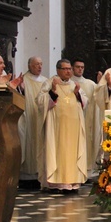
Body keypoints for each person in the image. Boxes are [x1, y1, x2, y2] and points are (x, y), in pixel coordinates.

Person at [38, 59, 88, 193]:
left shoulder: (74, 85)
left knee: (73, 152)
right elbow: (40, 102)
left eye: (69, 69)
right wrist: (53, 91)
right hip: (56, 127)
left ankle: (72, 182)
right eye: (65, 69)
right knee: (56, 151)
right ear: (58, 70)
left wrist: (77, 93)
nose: (68, 71)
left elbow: (85, 102)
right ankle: (55, 183)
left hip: (74, 127)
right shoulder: (49, 83)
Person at [71, 59, 106, 179]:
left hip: (88, 121)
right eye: (77, 67)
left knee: (88, 145)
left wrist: (100, 85)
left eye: (82, 67)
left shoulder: (90, 84)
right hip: (73, 122)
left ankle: (88, 172)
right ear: (72, 68)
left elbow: (99, 99)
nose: (80, 69)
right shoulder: (67, 83)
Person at [17, 56, 47, 187]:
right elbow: (19, 96)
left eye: (41, 64)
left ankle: (40, 173)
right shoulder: (24, 79)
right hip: (29, 116)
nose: (39, 67)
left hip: (42, 117)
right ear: (29, 66)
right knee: (29, 142)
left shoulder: (46, 81)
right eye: (36, 64)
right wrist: (21, 89)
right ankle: (27, 176)